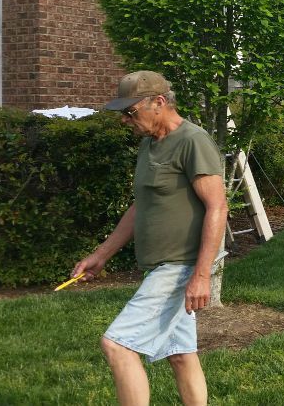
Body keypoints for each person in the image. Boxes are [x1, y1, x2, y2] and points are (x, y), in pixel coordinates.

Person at [71, 71, 228, 406]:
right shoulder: (149, 144)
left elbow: (217, 207)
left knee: (118, 345)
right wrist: (103, 254)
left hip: (180, 265)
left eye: (131, 112)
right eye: (123, 114)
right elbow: (141, 205)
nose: (126, 120)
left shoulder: (192, 141)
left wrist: (201, 275)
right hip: (161, 265)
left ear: (159, 102)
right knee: (181, 354)